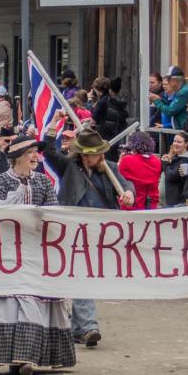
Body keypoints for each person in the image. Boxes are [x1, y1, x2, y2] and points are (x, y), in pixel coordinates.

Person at [0, 138, 75, 375]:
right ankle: (7, 355)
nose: (35, 157)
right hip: (7, 251)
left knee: (34, 299)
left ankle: (27, 356)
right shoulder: (0, 181)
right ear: (17, 158)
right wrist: (17, 195)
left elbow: (53, 211)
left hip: (35, 249)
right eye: (30, 153)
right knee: (6, 302)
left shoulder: (43, 183)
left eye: (36, 153)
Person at [44, 126, 127, 347]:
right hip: (72, 231)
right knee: (81, 274)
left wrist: (128, 194)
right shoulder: (69, 167)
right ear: (82, 154)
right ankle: (89, 326)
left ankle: (77, 329)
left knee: (83, 277)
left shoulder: (110, 169)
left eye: (97, 153)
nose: (95, 158)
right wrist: (52, 127)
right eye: (90, 154)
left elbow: (126, 188)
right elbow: (49, 151)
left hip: (101, 233)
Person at [118, 130, 163, 210]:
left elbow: (119, 177)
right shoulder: (157, 161)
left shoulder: (127, 160)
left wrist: (120, 161)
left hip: (131, 205)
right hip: (151, 205)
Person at [149, 66, 188, 134]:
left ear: (175, 80)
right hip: (185, 128)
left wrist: (156, 101)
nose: (168, 82)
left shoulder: (183, 92)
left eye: (168, 79)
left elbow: (170, 111)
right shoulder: (182, 90)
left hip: (187, 130)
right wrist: (160, 100)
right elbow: (173, 107)